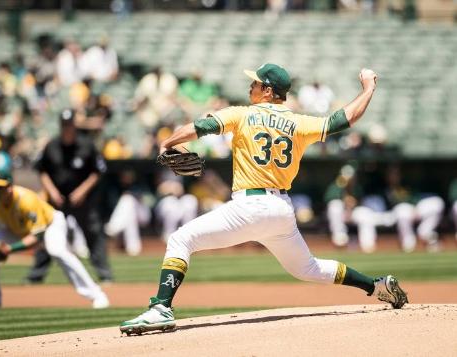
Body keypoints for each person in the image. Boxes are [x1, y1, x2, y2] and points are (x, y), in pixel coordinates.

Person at [119, 63, 408, 335]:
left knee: (181, 239)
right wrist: (368, 88)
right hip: (281, 209)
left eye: (255, 82)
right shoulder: (297, 122)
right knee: (307, 268)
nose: (250, 86)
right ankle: (376, 286)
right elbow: (344, 119)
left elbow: (199, 128)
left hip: (250, 205)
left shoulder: (241, 114)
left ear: (268, 90)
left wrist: (168, 141)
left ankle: (160, 308)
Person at [0, 169, 109, 309]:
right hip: (17, 229)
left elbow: (37, 236)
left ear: (9, 187)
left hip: (51, 225)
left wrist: (10, 249)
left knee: (57, 251)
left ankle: (97, 295)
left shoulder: (26, 200)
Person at [25, 109, 113, 283]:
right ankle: (36, 276)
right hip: (57, 201)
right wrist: (52, 192)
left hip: (83, 200)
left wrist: (82, 191)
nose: (67, 129)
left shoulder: (86, 145)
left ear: (74, 125)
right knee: (48, 235)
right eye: (64, 126)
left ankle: (105, 275)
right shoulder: (52, 146)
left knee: (93, 235)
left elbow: (98, 171)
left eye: (70, 125)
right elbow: (42, 170)